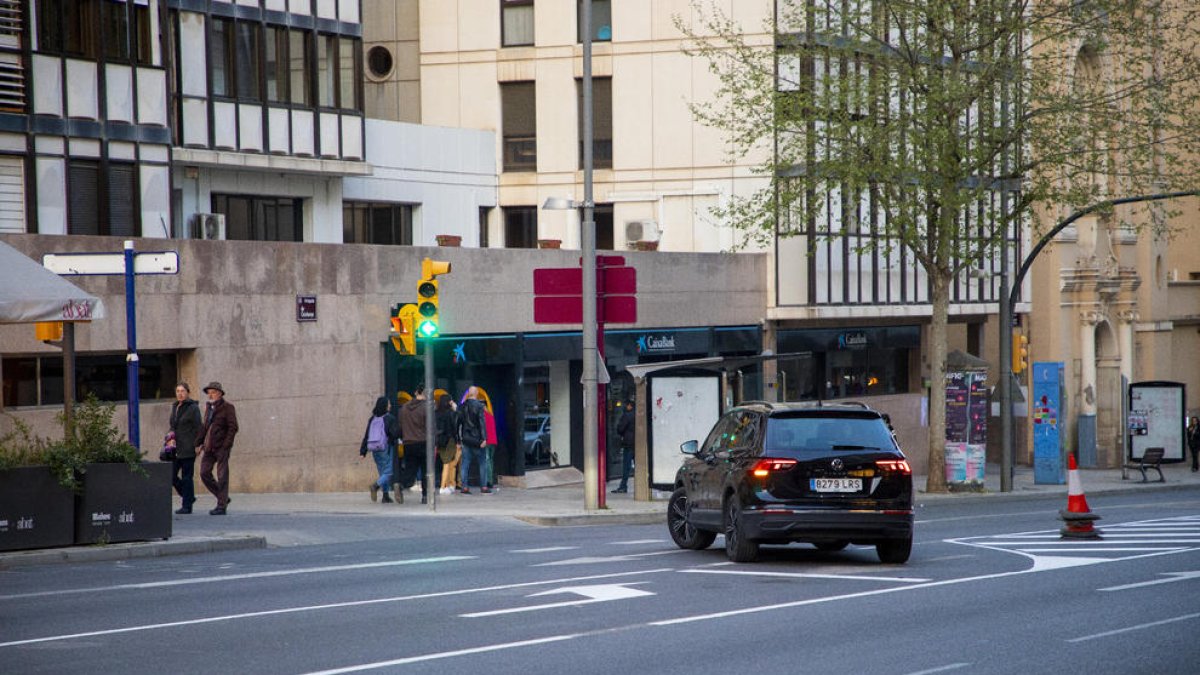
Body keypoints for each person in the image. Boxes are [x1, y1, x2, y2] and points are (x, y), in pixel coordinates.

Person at [196, 381, 238, 515]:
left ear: (219, 393)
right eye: (209, 393)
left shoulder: (228, 407)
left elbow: (233, 427)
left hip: (221, 447)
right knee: (204, 473)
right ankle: (223, 497)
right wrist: (198, 443)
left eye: (213, 392)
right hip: (209, 447)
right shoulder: (209, 408)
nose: (211, 395)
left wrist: (226, 445)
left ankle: (221, 506)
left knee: (222, 476)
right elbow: (205, 427)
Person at [169, 382, 203, 514]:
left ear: (188, 392)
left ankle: (187, 506)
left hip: (188, 447)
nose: (180, 394)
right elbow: (173, 425)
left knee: (187, 477)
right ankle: (189, 497)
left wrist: (199, 444)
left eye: (182, 391)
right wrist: (170, 438)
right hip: (176, 448)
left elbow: (199, 427)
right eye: (178, 391)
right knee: (171, 475)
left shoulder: (193, 408)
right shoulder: (175, 406)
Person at [360, 396, 399, 503]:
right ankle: (375, 486)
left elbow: (367, 435)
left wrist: (363, 451)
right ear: (385, 406)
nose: (390, 406)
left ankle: (385, 496)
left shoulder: (372, 419)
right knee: (389, 472)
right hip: (385, 448)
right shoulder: (389, 418)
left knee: (382, 472)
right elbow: (395, 433)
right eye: (389, 404)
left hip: (374, 449)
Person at [398, 385, 431, 504]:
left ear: (415, 392)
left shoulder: (404, 408)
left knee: (410, 469)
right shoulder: (427, 407)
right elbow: (430, 427)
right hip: (423, 442)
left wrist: (404, 437)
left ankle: (401, 485)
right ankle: (425, 496)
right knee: (425, 470)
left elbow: (401, 426)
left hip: (408, 443)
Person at [458, 387, 488, 494]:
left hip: (466, 439)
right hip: (478, 440)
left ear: (468, 394)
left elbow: (459, 423)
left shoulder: (462, 406)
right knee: (482, 463)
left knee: (465, 464)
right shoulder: (479, 406)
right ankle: (484, 486)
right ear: (477, 394)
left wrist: (459, 438)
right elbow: (482, 423)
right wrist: (484, 438)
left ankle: (464, 487)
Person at [435, 394, 460, 495]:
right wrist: (456, 409)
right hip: (449, 440)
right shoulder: (451, 413)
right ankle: (443, 486)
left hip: (439, 440)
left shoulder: (435, 413)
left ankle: (449, 484)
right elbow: (455, 427)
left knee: (447, 462)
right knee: (447, 462)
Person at [612, 400, 635, 494]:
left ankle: (623, 486)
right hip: (638, 443)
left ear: (630, 405)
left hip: (628, 443)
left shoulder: (627, 415)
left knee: (626, 465)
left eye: (627, 405)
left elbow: (620, 428)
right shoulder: (639, 414)